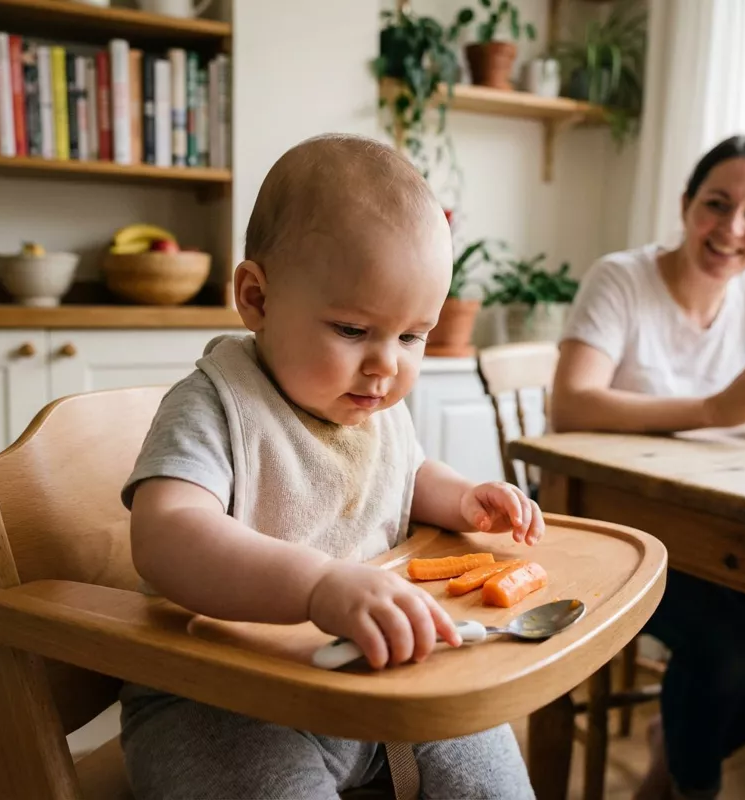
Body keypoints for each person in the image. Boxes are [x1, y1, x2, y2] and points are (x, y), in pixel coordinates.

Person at [119, 133, 545, 800]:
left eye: (411, 337)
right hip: (220, 700)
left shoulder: (369, 405)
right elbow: (165, 532)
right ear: (256, 299)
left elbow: (404, 475)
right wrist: (318, 586)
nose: (386, 365)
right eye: (351, 330)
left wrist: (463, 498)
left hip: (376, 681)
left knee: (488, 759)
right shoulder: (218, 404)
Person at [551, 134, 745, 800]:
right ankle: (684, 781)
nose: (732, 227)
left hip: (715, 529)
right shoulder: (622, 277)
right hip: (599, 521)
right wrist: (714, 406)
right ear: (685, 205)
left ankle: (672, 753)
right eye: (717, 203)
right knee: (727, 648)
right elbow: (569, 402)